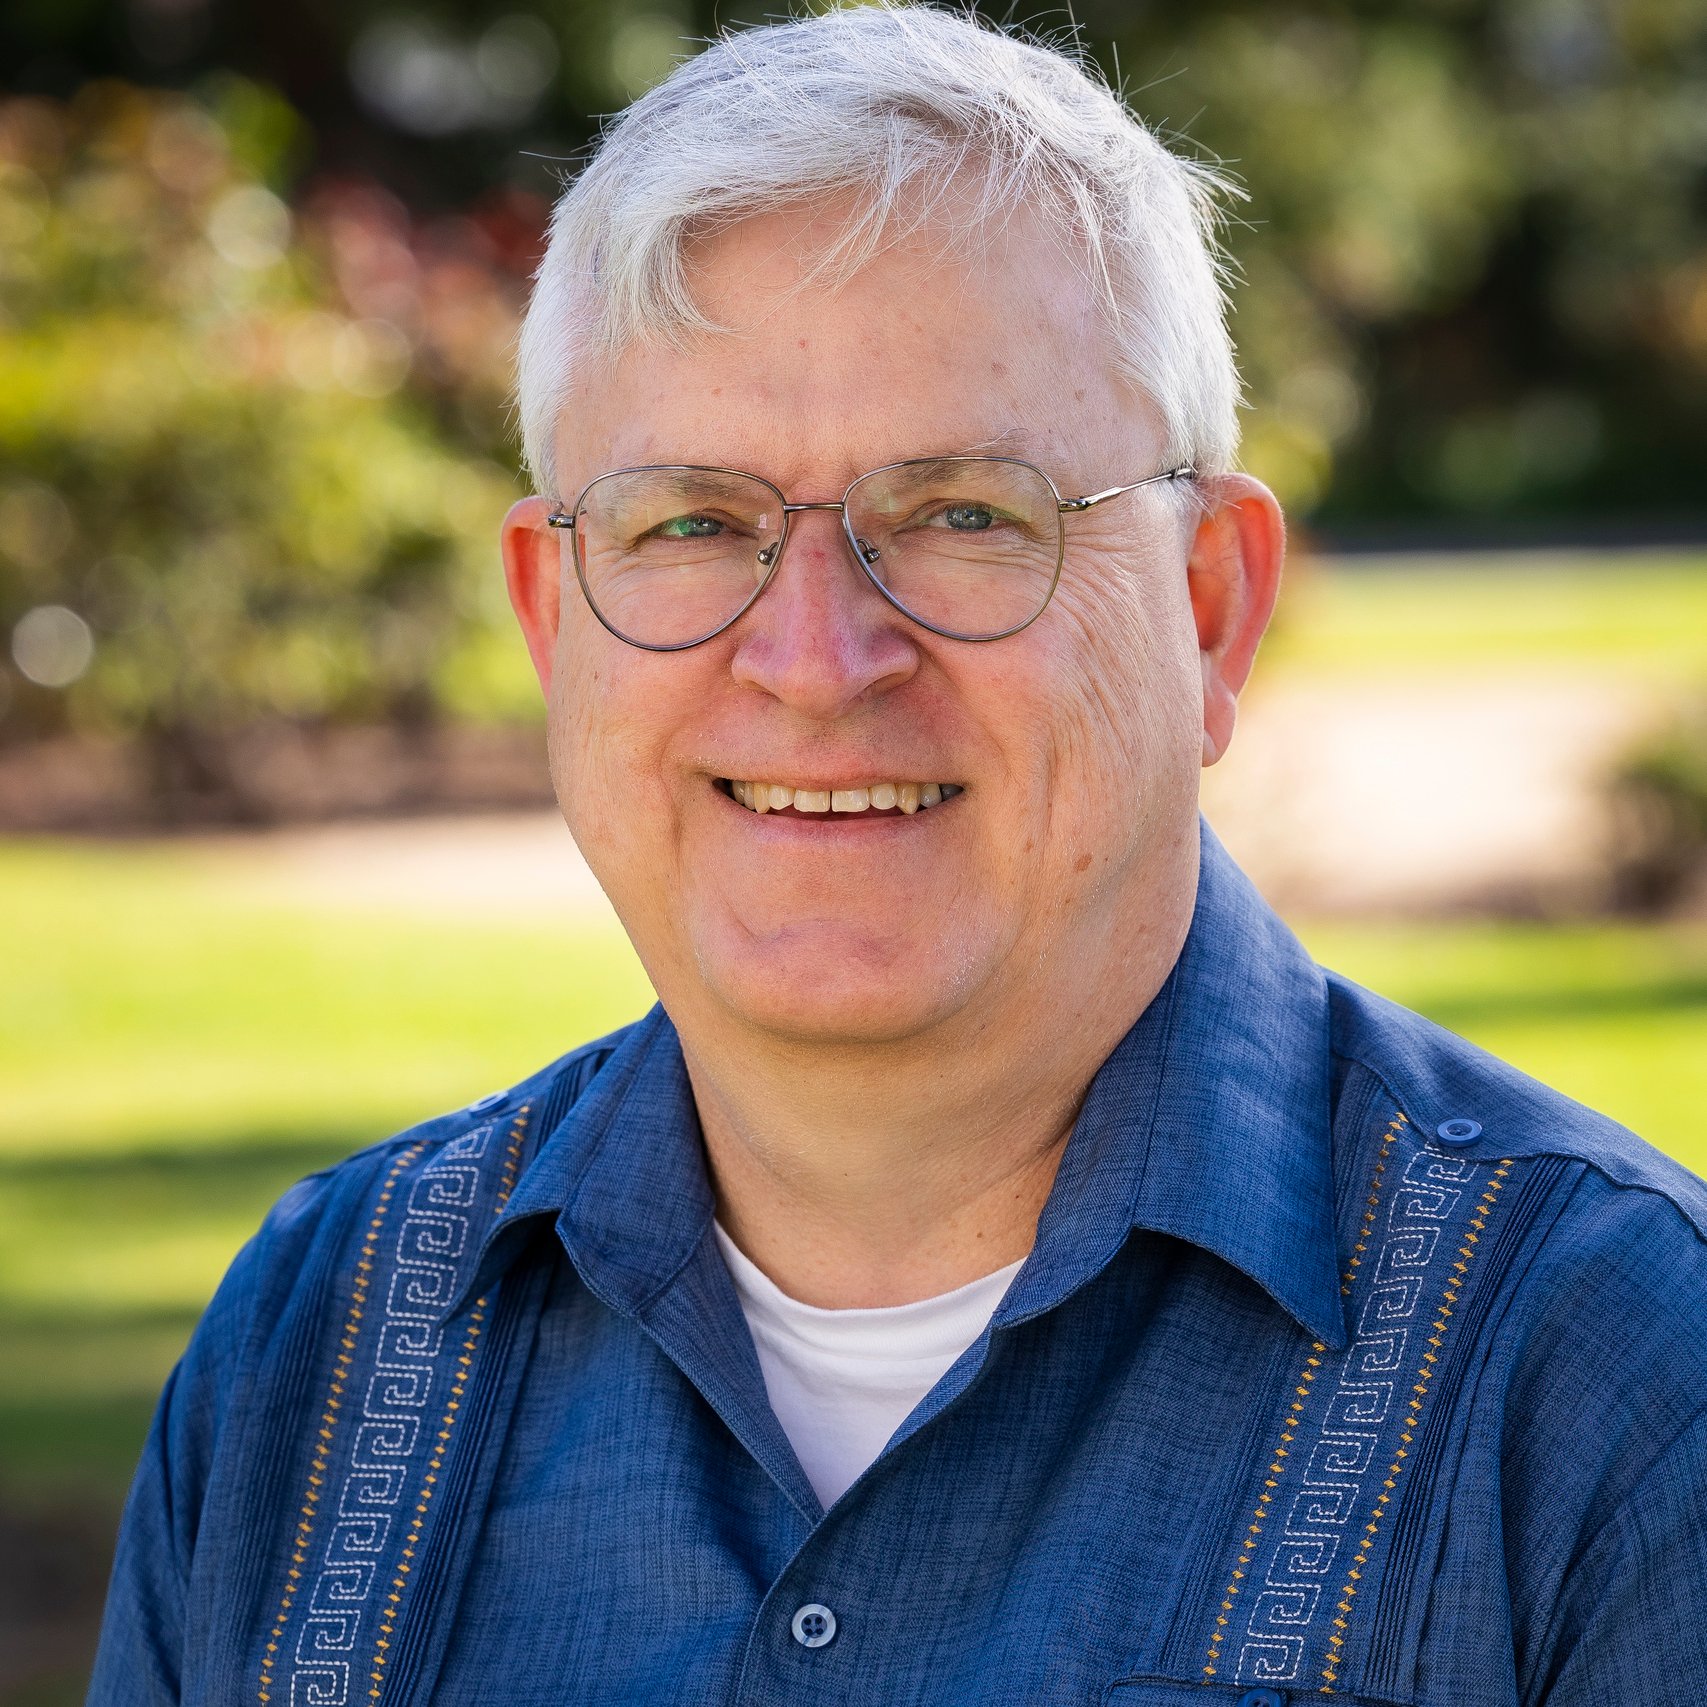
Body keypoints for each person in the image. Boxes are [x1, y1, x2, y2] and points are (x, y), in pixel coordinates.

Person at [89, 8, 1707, 1704]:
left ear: (1208, 609)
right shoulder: (315, 1356)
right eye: (692, 524)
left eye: (961, 513)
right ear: (551, 621)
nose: (814, 659)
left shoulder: (1603, 1377)